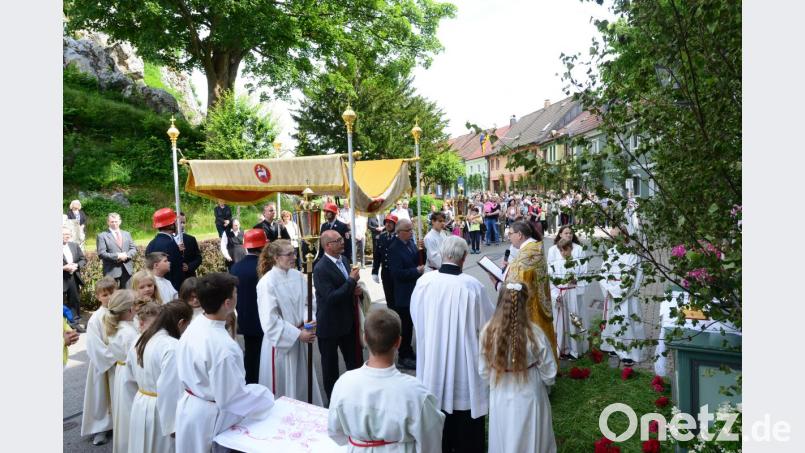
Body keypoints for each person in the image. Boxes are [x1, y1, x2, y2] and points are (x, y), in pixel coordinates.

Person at [409, 236, 494, 453]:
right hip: (463, 365)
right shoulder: (472, 286)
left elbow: (416, 317)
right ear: (464, 258)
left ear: (443, 254)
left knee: (437, 421)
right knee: (466, 426)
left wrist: (432, 335)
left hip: (433, 361)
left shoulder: (424, 283)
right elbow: (488, 326)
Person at [175, 273, 275, 452]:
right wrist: (265, 396)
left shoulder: (195, 325)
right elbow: (231, 397)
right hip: (209, 416)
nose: (238, 296)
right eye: (235, 293)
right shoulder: (224, 347)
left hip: (190, 407)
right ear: (228, 303)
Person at [328, 308, 446, 451]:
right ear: (398, 342)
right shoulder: (415, 393)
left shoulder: (344, 383)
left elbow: (335, 432)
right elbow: (431, 441)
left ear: (365, 339)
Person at [479, 283, 558, 453]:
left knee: (504, 434)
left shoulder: (488, 332)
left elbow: (483, 370)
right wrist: (547, 382)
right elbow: (549, 371)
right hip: (530, 391)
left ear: (500, 302)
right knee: (532, 434)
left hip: (500, 391)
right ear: (525, 304)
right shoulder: (535, 333)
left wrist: (491, 379)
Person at [256, 240, 323, 404]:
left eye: (294, 252)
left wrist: (308, 322)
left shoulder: (299, 276)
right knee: (284, 386)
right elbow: (270, 321)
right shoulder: (267, 282)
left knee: (303, 384)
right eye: (289, 254)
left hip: (302, 337)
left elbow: (309, 302)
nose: (294, 257)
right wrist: (298, 334)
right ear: (276, 258)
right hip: (282, 344)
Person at [125, 301, 192, 453]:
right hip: (159, 411)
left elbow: (128, 378)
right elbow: (170, 390)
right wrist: (173, 426)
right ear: (181, 323)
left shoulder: (139, 339)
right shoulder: (171, 346)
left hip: (141, 401)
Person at [495, 221, 558, 361]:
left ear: (520, 235)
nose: (508, 237)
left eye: (510, 234)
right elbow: (521, 269)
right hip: (537, 299)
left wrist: (497, 283)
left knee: (535, 341)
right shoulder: (532, 247)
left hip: (532, 305)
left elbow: (515, 282)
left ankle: (537, 370)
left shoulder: (529, 251)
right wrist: (510, 266)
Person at [313, 230, 363, 400]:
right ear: (327, 246)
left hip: (348, 322)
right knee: (330, 367)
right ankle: (333, 400)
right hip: (329, 324)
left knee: (354, 362)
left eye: (341, 239)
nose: (342, 242)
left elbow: (348, 289)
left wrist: (356, 290)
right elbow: (330, 298)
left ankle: (356, 395)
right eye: (338, 240)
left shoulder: (345, 260)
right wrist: (351, 282)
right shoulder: (320, 268)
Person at [599, 226, 647, 366]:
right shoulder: (610, 252)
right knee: (613, 320)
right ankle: (613, 346)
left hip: (626, 295)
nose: (613, 239)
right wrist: (608, 289)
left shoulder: (632, 254)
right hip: (611, 292)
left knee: (626, 321)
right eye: (612, 236)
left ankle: (628, 351)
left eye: (616, 236)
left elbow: (631, 279)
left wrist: (616, 292)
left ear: (624, 236)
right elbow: (603, 275)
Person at [80, 277, 118, 446]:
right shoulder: (96, 318)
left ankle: (120, 424)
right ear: (98, 297)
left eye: (112, 293)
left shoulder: (122, 312)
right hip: (104, 364)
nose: (109, 297)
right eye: (105, 294)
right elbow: (94, 345)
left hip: (121, 364)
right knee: (101, 397)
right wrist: (114, 358)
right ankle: (100, 427)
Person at [231, 228, 269, 384]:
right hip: (263, 319)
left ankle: (249, 382)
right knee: (263, 356)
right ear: (263, 246)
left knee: (250, 354)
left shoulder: (236, 267)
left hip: (245, 319)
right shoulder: (264, 268)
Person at [103, 289, 139, 453]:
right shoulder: (129, 333)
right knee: (131, 413)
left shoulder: (115, 327)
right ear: (130, 309)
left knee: (123, 413)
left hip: (121, 372)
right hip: (130, 375)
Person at [387, 218, 425, 370]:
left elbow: (418, 260)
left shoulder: (410, 243)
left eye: (411, 230)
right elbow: (396, 273)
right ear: (400, 232)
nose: (411, 232)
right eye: (408, 230)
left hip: (414, 290)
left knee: (411, 325)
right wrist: (415, 271)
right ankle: (403, 356)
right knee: (405, 327)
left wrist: (423, 251)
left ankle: (408, 351)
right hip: (403, 294)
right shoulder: (394, 248)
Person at [547, 226, 588, 359]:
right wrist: (555, 293)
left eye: (571, 233)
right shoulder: (553, 251)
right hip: (560, 293)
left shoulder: (578, 249)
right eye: (566, 233)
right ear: (559, 234)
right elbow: (550, 274)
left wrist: (576, 280)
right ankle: (562, 348)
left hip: (573, 293)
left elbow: (584, 270)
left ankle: (575, 349)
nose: (569, 235)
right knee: (560, 322)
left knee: (574, 319)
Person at [145, 208, 184, 291]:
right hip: (171, 289)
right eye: (175, 222)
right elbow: (175, 271)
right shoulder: (170, 244)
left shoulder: (151, 244)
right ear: (171, 225)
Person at [97, 212, 138, 289]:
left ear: (120, 221)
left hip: (126, 270)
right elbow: (101, 253)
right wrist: (118, 256)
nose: (114, 223)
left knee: (127, 296)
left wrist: (126, 255)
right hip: (111, 271)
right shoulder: (102, 236)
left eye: (116, 221)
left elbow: (133, 248)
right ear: (108, 222)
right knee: (112, 297)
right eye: (112, 221)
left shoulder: (127, 234)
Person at [371, 214, 398, 310]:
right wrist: (374, 271)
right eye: (386, 222)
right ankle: (391, 319)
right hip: (386, 273)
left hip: (397, 273)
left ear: (395, 224)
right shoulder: (381, 237)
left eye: (391, 223)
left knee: (398, 300)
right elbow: (377, 256)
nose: (388, 225)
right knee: (389, 298)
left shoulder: (400, 237)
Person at [63, 226, 87, 323]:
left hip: (73, 277)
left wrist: (76, 265)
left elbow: (83, 259)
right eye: (64, 234)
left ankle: (75, 322)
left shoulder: (74, 245)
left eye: (68, 234)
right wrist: (63, 268)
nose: (67, 236)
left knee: (74, 300)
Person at [177, 212, 203, 279]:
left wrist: (189, 266)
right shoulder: (169, 240)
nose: (182, 225)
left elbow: (198, 258)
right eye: (180, 222)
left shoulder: (191, 239)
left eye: (184, 222)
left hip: (189, 278)